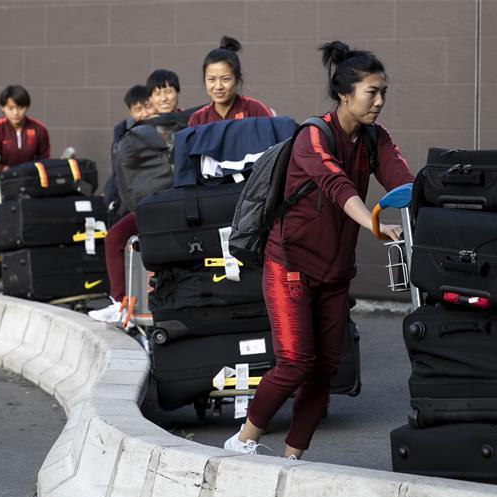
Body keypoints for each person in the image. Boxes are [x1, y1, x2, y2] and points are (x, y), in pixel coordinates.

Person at [223, 41, 413, 459]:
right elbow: (337, 186)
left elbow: (401, 180)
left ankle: (293, 459)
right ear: (344, 94)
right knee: (295, 362)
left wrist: (430, 203)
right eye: (371, 92)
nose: (379, 101)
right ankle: (243, 442)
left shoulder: (374, 138)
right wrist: (375, 223)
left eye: (383, 92)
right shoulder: (314, 135)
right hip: (290, 263)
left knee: (324, 370)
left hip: (335, 272)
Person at [88, 71, 185, 323]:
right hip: (149, 207)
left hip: (183, 206)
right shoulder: (139, 132)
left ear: (177, 92)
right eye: (157, 92)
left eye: (168, 90)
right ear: (151, 98)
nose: (163, 97)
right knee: (114, 239)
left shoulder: (189, 122)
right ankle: (120, 303)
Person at [0, 84, 50, 250]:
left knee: (22, 236)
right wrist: (9, 173)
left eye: (20, 107)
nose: (16, 113)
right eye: (11, 108)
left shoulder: (39, 130)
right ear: (3, 108)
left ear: (27, 107)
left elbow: (45, 161)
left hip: (27, 190)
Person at [188, 36, 273, 128]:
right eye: (211, 79)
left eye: (225, 79)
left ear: (237, 79)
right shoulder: (198, 119)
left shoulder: (255, 111)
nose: (218, 86)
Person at [104, 85, 156, 223]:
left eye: (148, 106)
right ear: (131, 113)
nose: (145, 113)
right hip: (130, 203)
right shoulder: (122, 133)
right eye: (138, 109)